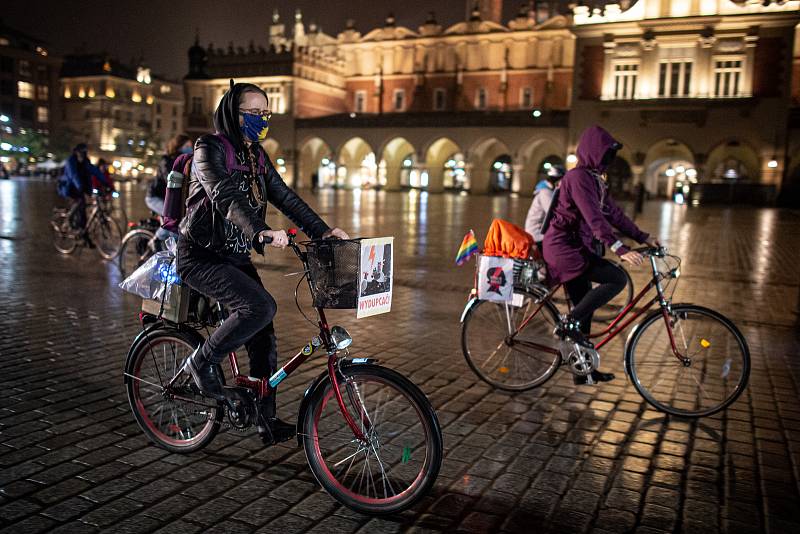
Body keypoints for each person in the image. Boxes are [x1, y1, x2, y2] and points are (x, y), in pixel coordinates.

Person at [177, 81, 349, 444]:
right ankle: (201, 361)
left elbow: (284, 196)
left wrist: (322, 231)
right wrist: (261, 231)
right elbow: (224, 195)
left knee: (264, 338)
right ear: (231, 114)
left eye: (265, 112)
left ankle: (263, 419)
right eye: (253, 113)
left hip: (235, 256)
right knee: (260, 306)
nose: (261, 119)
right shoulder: (209, 148)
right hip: (201, 256)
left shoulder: (256, 156)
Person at [542, 125, 657, 385]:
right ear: (594, 152)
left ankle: (584, 371)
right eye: (605, 154)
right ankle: (566, 323)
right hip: (564, 249)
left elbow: (613, 214)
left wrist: (643, 236)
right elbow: (595, 219)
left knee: (586, 309)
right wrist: (620, 249)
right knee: (616, 279)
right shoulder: (578, 178)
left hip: (576, 248)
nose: (608, 160)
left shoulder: (595, 179)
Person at [57, 143, 111, 234]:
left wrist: (106, 182)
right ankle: (70, 218)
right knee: (80, 202)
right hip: (69, 187)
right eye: (80, 152)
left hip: (80, 187)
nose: (82, 154)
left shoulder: (86, 162)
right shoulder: (71, 161)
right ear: (76, 152)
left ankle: (83, 233)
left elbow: (95, 171)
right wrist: (80, 186)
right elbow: (73, 175)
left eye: (84, 152)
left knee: (83, 210)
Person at [146, 133, 192, 217]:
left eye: (190, 146)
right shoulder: (167, 161)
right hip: (155, 197)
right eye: (187, 146)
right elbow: (171, 180)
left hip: (169, 198)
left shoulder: (185, 162)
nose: (190, 148)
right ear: (179, 146)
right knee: (171, 216)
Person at [525, 164, 565, 249]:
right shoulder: (546, 193)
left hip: (538, 232)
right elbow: (554, 213)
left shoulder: (547, 190)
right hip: (537, 234)